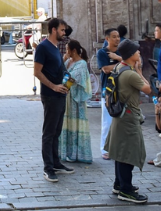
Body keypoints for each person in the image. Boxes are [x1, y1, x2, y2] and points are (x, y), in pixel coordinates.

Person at [105, 39, 150, 204]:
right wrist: (139, 71)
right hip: (129, 118)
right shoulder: (130, 74)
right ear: (131, 55)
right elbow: (148, 88)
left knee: (120, 151)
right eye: (137, 51)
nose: (139, 53)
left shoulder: (119, 67)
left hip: (120, 115)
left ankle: (119, 184)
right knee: (128, 154)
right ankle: (126, 190)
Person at [33, 18, 75, 182]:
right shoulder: (43, 47)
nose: (64, 33)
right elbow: (37, 72)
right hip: (50, 95)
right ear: (53, 30)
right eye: (62, 30)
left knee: (57, 131)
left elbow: (59, 69)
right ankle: (48, 167)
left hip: (60, 94)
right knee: (49, 132)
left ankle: (56, 163)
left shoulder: (56, 47)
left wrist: (67, 80)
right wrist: (53, 86)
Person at [59, 40, 93, 164]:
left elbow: (71, 78)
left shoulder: (82, 64)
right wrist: (63, 61)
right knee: (65, 124)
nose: (66, 52)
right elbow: (61, 72)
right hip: (66, 98)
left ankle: (76, 153)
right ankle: (65, 152)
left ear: (73, 50)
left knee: (75, 125)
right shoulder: (68, 61)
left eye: (68, 49)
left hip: (75, 100)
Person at [97, 27, 122, 160]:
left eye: (118, 36)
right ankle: (105, 149)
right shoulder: (102, 53)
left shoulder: (121, 53)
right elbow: (106, 69)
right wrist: (122, 63)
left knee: (121, 122)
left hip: (122, 90)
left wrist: (118, 58)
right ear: (107, 39)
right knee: (107, 122)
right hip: (108, 92)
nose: (117, 39)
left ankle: (118, 147)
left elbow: (133, 64)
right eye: (114, 36)